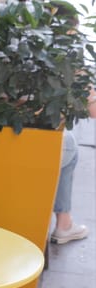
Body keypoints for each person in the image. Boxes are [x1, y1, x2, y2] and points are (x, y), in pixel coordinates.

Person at [51, 86, 96, 244]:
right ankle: (64, 224)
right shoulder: (70, 66)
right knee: (70, 146)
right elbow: (93, 111)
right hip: (38, 144)